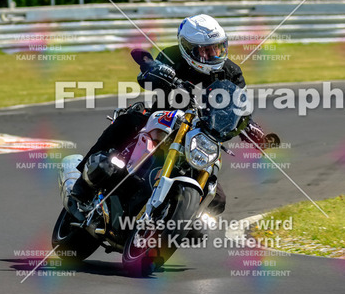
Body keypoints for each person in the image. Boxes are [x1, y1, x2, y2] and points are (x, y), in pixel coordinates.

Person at [66, 14, 266, 220]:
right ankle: (82, 185)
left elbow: (240, 106)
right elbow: (146, 69)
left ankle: (181, 223)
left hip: (200, 138)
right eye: (206, 50)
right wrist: (154, 70)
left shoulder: (231, 72)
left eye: (217, 48)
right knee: (128, 120)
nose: (213, 54)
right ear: (188, 49)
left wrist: (249, 126)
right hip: (161, 120)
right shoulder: (172, 56)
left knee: (217, 201)